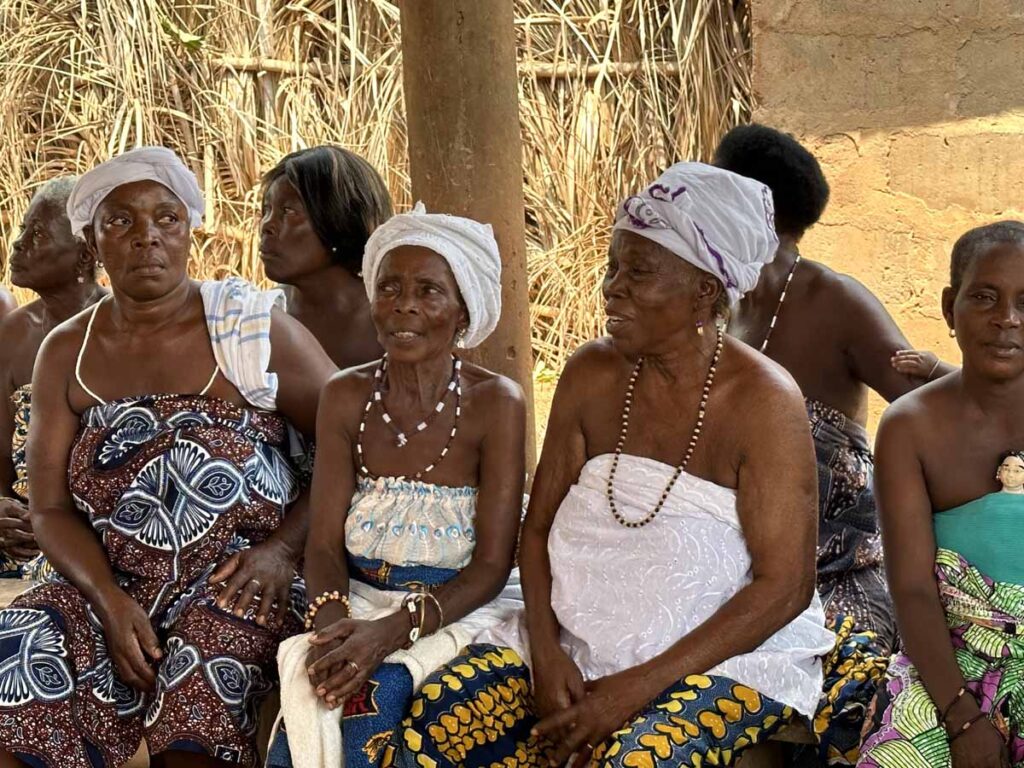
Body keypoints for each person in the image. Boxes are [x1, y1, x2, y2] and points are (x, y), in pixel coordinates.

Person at [386, 163, 836, 767]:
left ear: (706, 289)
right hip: (573, 637)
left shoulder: (764, 402)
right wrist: (547, 653)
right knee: (439, 721)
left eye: (639, 272)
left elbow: (784, 587)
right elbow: (538, 528)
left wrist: (633, 689)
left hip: (719, 659)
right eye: (614, 267)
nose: (611, 288)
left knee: (635, 759)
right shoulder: (591, 374)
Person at [0, 146, 335, 768]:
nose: (146, 237)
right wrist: (108, 599)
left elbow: (352, 446)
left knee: (206, 679)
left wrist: (283, 550)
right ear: (92, 246)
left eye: (166, 219)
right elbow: (47, 507)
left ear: (189, 232)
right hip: (106, 580)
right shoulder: (64, 353)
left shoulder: (250, 329)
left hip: (240, 580)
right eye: (120, 221)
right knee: (18, 647)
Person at [265, 203, 526, 768]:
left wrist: (387, 635)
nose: (404, 304)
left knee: (377, 699)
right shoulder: (346, 395)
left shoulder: (495, 404)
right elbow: (326, 545)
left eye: (429, 291)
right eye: (390, 288)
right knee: (314, 696)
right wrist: (335, 627)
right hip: (354, 598)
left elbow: (490, 567)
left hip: (458, 608)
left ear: (463, 313)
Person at [716, 124, 955, 658]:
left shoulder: (836, 302)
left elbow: (934, 410)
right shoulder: (717, 304)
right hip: (727, 564)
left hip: (834, 573)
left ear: (748, 205)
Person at [859, 221, 1024, 768]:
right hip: (949, 661)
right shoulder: (911, 427)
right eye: (984, 297)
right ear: (951, 306)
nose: (1008, 320)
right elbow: (912, 588)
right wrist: (961, 718)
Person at [0, 177, 107, 580]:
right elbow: (1, 461)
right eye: (23, 228)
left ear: (83, 255)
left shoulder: (121, 330)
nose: (19, 242)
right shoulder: (13, 333)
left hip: (96, 537)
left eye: (38, 233)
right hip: (22, 536)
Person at [260, 145, 393, 369]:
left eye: (289, 211)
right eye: (266, 210)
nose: (266, 225)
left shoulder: (392, 318)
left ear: (340, 221)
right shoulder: (263, 316)